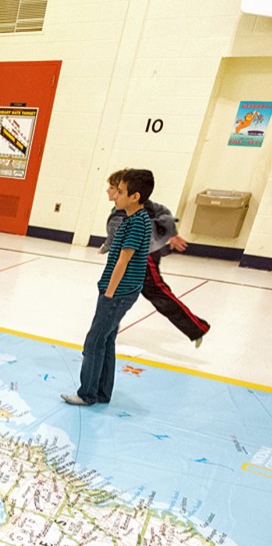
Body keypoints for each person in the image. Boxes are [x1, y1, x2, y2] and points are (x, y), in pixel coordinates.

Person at [63, 168, 154, 406]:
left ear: (135, 196)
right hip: (121, 290)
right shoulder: (133, 219)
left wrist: (109, 293)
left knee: (94, 341)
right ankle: (102, 392)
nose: (116, 195)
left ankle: (87, 394)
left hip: (118, 292)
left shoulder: (137, 223)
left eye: (121, 191)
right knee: (106, 339)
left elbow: (124, 260)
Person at [101, 168, 210, 347]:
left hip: (144, 257)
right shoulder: (120, 209)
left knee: (158, 293)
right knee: (116, 293)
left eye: (114, 188)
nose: (109, 191)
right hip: (126, 257)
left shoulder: (141, 208)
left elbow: (164, 215)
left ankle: (196, 327)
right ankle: (107, 329)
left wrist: (172, 234)